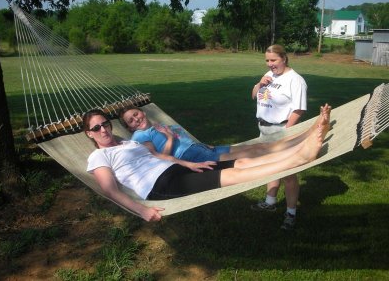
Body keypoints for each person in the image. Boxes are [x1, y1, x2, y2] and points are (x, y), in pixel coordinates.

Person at [85, 105, 331, 222]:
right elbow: (109, 189)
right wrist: (142, 210)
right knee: (234, 176)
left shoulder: (126, 143)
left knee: (243, 161)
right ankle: (300, 157)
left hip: (176, 168)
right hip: (159, 184)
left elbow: (157, 157)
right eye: (96, 127)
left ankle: (298, 149)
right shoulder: (98, 156)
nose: (103, 129)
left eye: (105, 124)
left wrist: (187, 164)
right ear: (89, 134)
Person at [251, 44, 308, 230]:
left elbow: (299, 109)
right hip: (265, 130)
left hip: (282, 130)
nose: (270, 64)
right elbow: (254, 96)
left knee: (288, 174)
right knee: (271, 167)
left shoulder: (295, 80)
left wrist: (286, 132)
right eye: (267, 60)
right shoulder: (270, 76)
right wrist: (260, 84)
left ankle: (291, 213)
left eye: (273, 60)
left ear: (284, 58)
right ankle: (270, 201)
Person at [119, 106, 307, 162]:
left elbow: (181, 137)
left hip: (198, 148)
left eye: (135, 114)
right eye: (130, 121)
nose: (135, 119)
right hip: (188, 155)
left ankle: (296, 141)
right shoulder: (139, 137)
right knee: (244, 154)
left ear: (142, 112)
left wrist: (204, 144)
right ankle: (293, 150)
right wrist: (168, 138)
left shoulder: (155, 124)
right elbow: (159, 157)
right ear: (130, 128)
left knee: (250, 147)